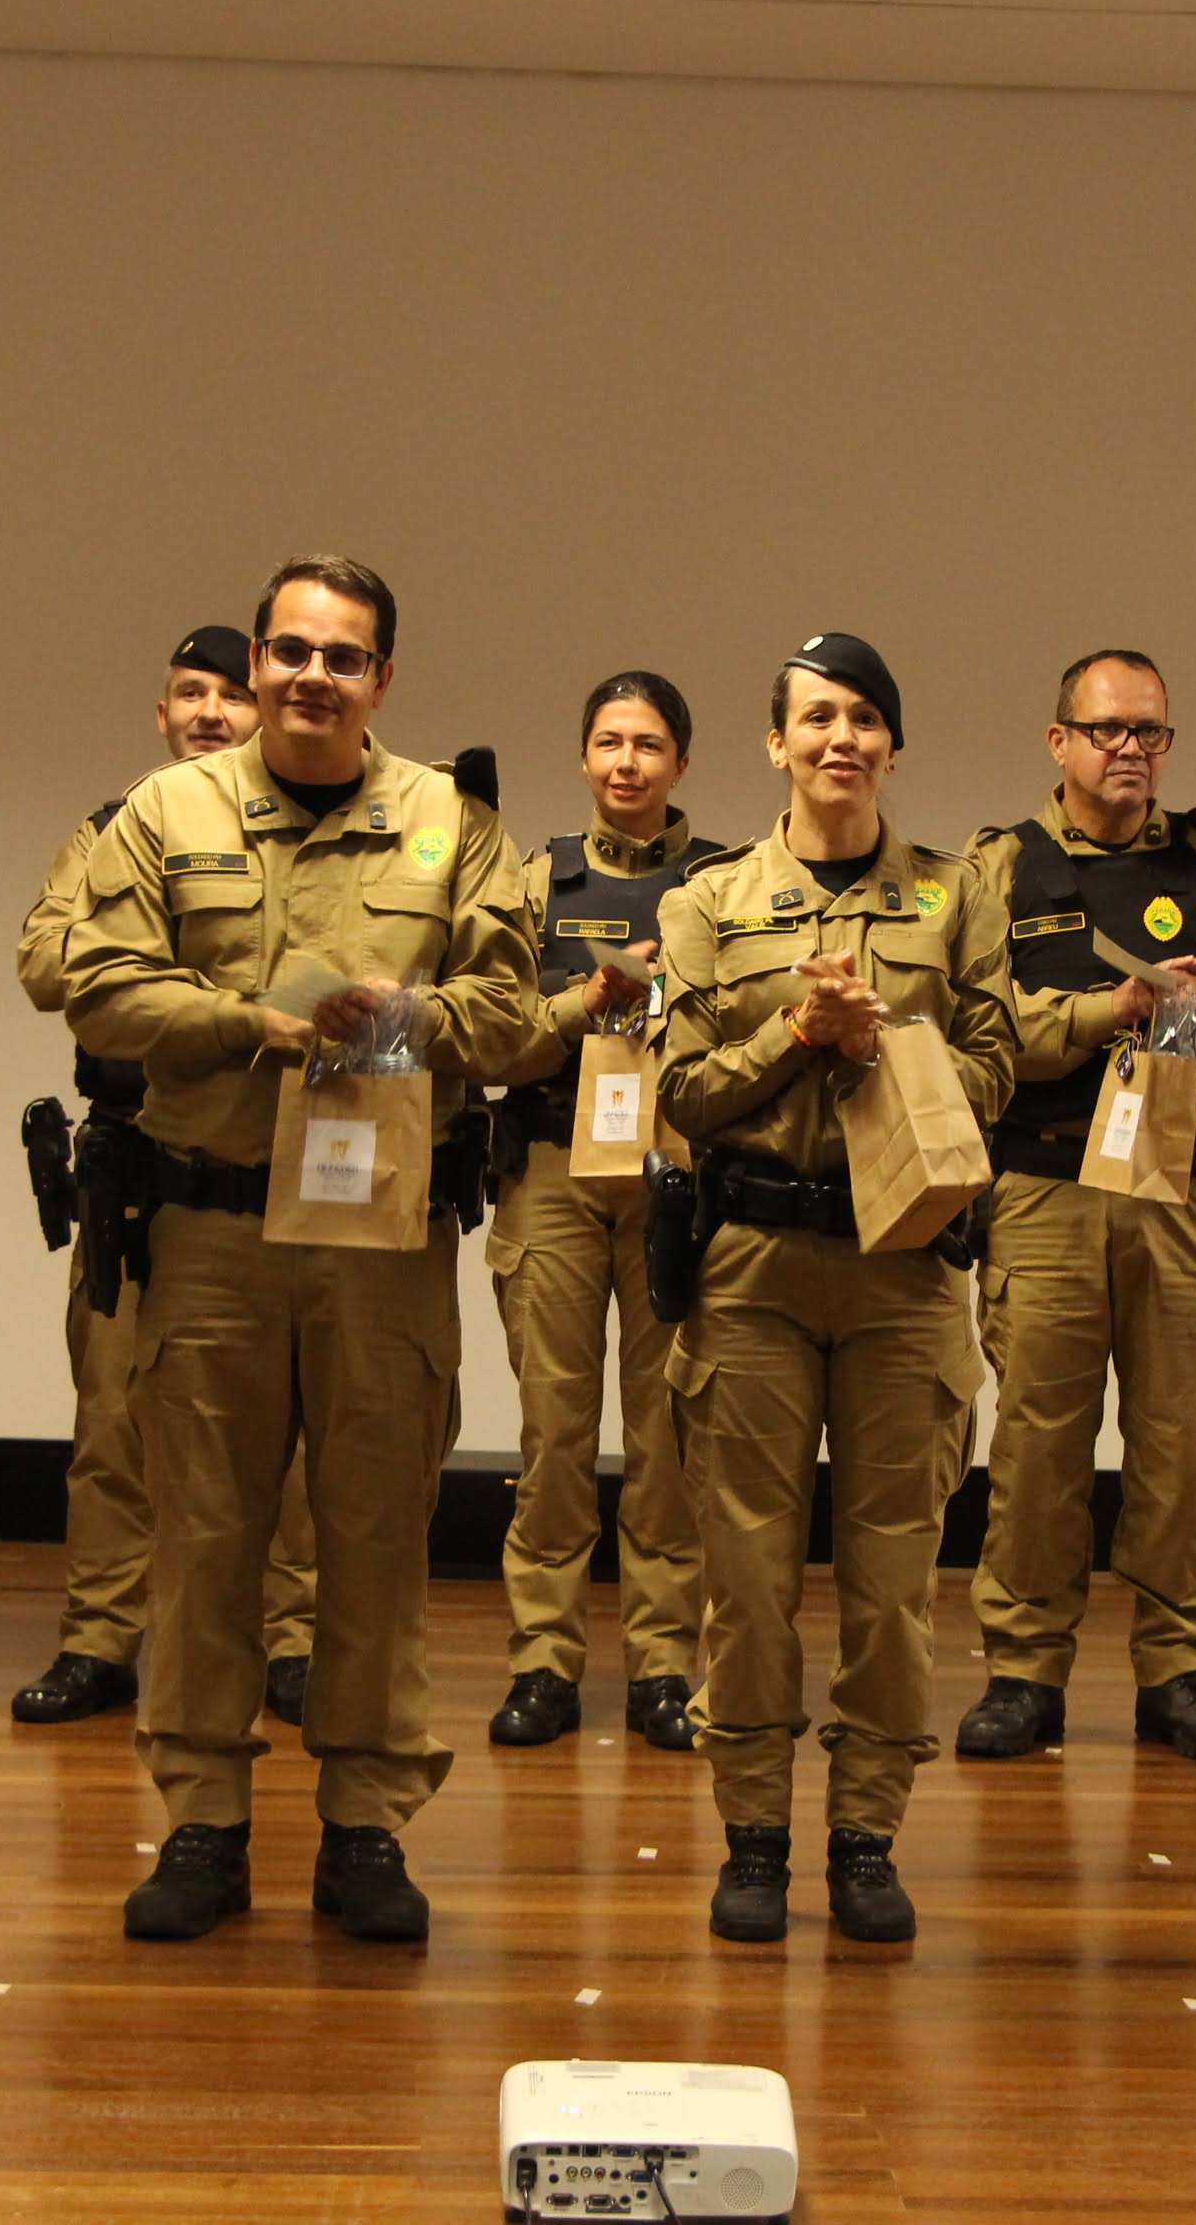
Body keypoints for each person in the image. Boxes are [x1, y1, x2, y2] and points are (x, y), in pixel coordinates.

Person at [66, 555, 534, 1947]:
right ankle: (204, 1823)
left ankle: (366, 1826)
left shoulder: (453, 822)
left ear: (383, 677)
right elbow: (95, 986)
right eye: (290, 651)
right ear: (258, 663)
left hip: (381, 1242)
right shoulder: (167, 811)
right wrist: (246, 1023)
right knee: (205, 1533)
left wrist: (414, 1017)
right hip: (212, 1230)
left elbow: (515, 1014)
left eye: (343, 656)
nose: (311, 676)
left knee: (377, 1535)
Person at [657, 632, 1016, 1946]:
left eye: (864, 717)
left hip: (903, 1268)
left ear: (893, 746)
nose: (840, 739)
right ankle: (753, 1833)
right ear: (776, 743)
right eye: (816, 717)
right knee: (748, 1571)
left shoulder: (953, 895)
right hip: (753, 1263)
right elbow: (683, 1090)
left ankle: (867, 1833)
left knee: (892, 1574)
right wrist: (795, 1031)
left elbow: (999, 1073)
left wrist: (883, 1044)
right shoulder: (712, 900)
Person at [958, 649, 1196, 1766]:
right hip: (1046, 1189)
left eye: (1150, 732)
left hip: (1183, 1190)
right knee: (1036, 1446)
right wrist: (1105, 1012)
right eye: (1107, 730)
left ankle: (1180, 1670)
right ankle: (1023, 1670)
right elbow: (977, 1020)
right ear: (1059, 742)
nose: (1130, 751)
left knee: (1182, 1443)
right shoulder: (1000, 868)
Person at [11, 625, 321, 1728]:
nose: (208, 712)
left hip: (267, 1152)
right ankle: (100, 1638)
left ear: (262, 709)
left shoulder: (308, 838)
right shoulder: (113, 832)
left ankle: (294, 1639)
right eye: (189, 693)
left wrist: (157, 976)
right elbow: (46, 965)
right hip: (135, 1161)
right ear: (162, 714)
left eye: (229, 695)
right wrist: (168, 957)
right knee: (113, 1416)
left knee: (288, 1425)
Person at [483, 674, 721, 1754]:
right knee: (554, 1432)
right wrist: (586, 1002)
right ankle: (544, 1661)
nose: (628, 763)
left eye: (650, 745)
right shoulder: (533, 882)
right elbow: (491, 1032)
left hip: (674, 1172)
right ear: (583, 757)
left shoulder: (720, 884)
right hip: (553, 1173)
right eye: (610, 743)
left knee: (667, 1436)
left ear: (681, 764)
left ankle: (664, 1665)